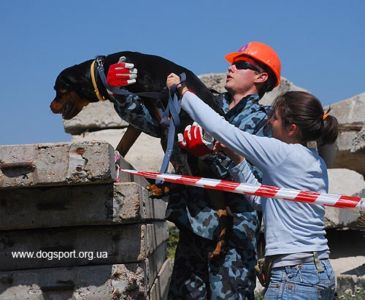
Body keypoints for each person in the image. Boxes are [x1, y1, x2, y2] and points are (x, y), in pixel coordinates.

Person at [106, 41, 281, 299]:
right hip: (193, 220)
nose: (230, 67)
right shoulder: (202, 101)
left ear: (261, 77)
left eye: (241, 64)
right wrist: (120, 93)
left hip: (234, 230)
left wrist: (211, 156)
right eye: (232, 62)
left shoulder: (265, 121)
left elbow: (253, 179)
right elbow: (156, 124)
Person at [167, 70, 338, 299]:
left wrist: (183, 91)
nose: (269, 121)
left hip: (293, 276)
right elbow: (261, 200)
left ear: (292, 128)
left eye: (275, 118)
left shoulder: (282, 153)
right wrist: (237, 158)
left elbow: (221, 129)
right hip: (317, 270)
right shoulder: (314, 162)